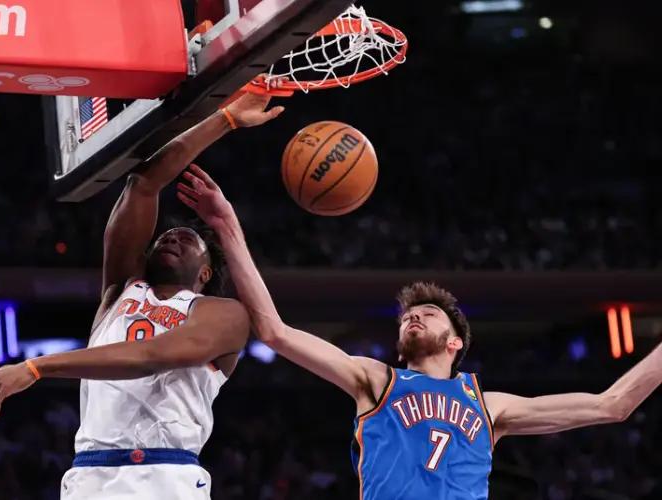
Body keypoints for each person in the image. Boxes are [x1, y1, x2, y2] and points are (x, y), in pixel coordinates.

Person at [176, 165, 662, 500]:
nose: (413, 317)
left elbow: (613, 405)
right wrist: (228, 227)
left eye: (428, 314)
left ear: (455, 342)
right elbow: (274, 331)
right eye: (409, 316)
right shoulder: (376, 380)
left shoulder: (490, 406)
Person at [0, 85, 286, 500]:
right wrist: (225, 119)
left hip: (165, 475)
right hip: (90, 475)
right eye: (165, 237)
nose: (171, 238)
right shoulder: (121, 291)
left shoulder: (224, 314)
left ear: (206, 271)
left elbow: (150, 356)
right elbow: (142, 183)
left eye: (186, 239)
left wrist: (36, 368)